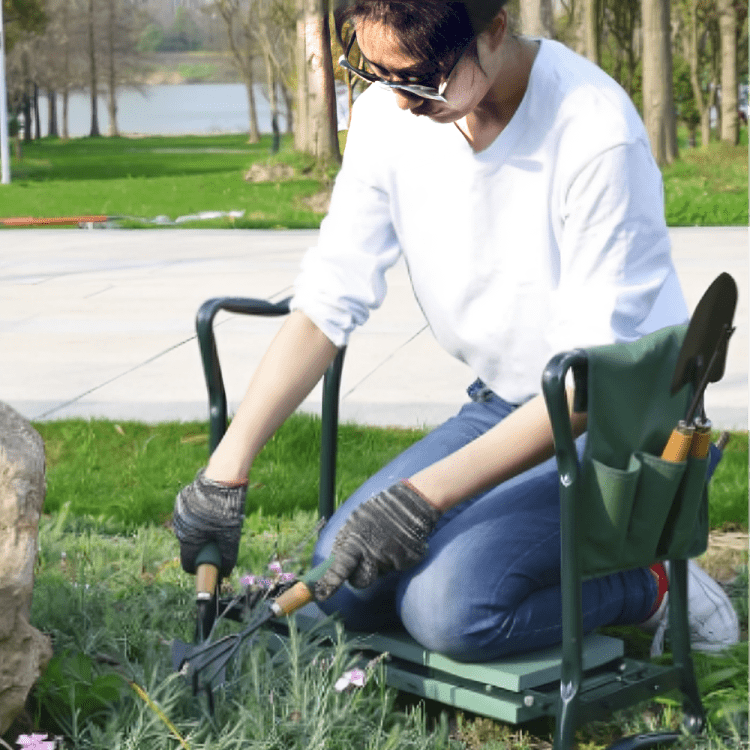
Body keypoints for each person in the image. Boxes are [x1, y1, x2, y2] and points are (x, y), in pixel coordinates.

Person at [173, 0, 739, 660]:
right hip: (505, 402)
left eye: (420, 77)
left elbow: (588, 385)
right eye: (377, 71)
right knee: (342, 578)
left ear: (494, 30)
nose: (402, 101)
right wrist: (226, 469)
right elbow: (328, 300)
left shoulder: (593, 130)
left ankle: (648, 585)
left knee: (449, 609)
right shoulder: (388, 114)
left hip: (622, 420)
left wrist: (423, 496)